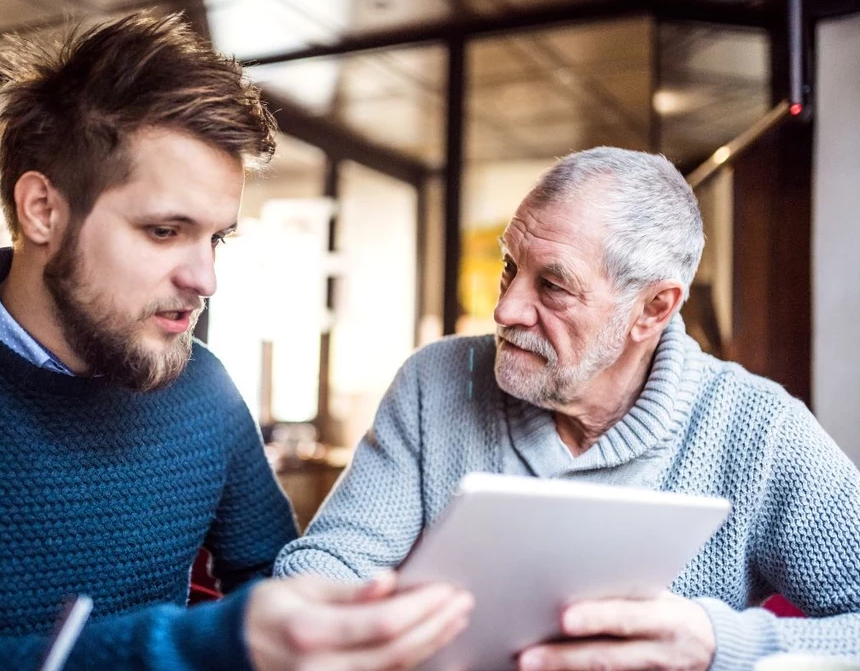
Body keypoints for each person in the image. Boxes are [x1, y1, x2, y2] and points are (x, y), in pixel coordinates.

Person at [0, 13, 473, 671]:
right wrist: (211, 646)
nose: (206, 279)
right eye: (166, 231)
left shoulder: (204, 386)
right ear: (42, 210)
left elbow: (276, 583)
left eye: (216, 237)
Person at [274, 147, 860, 670]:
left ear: (653, 309)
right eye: (509, 267)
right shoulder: (436, 380)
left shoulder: (759, 430)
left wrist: (716, 643)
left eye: (552, 286)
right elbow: (333, 561)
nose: (505, 310)